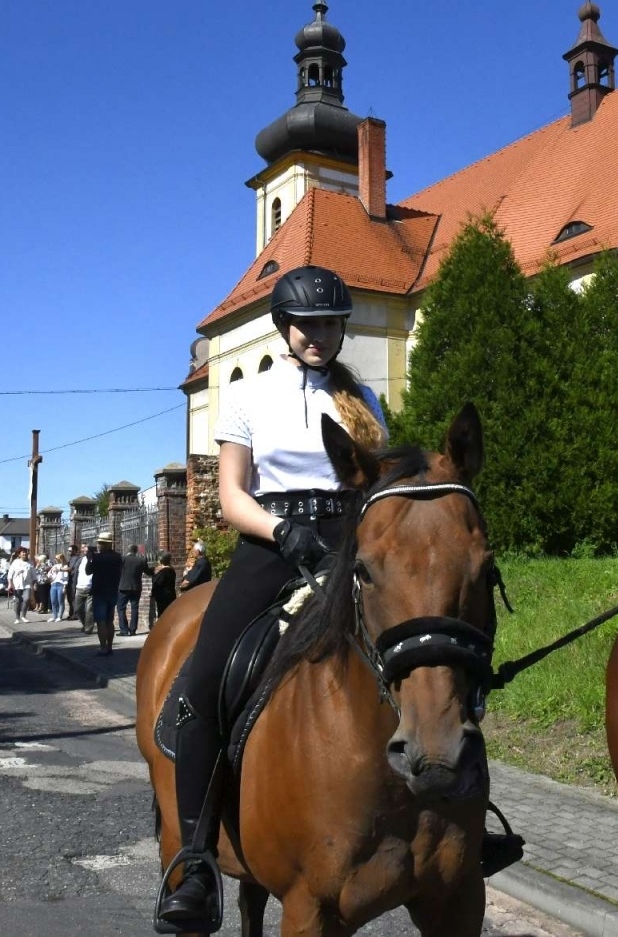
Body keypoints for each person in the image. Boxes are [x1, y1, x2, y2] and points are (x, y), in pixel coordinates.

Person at [157, 265, 388, 932]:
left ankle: (454, 816)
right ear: (285, 328)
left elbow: (373, 484)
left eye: (329, 324)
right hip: (271, 543)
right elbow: (232, 494)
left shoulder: (365, 396)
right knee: (203, 681)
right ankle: (196, 862)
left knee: (427, 651)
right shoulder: (249, 395)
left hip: (349, 543)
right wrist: (284, 531)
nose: (318, 335)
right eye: (306, 325)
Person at [89, 534, 123, 656]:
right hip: (113, 590)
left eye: (101, 543)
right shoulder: (118, 557)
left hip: (100, 592)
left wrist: (90, 558)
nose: (99, 545)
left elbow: (88, 571)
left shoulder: (98, 558)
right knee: (110, 620)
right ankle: (109, 647)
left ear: (105, 544)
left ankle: (103, 647)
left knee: (101, 621)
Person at [118, 543, 150, 636]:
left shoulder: (123, 559)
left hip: (123, 586)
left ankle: (124, 630)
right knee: (135, 607)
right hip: (136, 587)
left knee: (121, 608)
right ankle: (132, 630)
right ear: (136, 551)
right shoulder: (141, 560)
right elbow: (148, 572)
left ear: (128, 550)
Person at [6, 548, 35, 624]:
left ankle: (24, 616)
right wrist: (10, 584)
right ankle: (17, 618)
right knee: (18, 601)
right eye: (23, 552)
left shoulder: (30, 562)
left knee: (26, 599)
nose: (24, 554)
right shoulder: (15, 562)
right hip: (17, 584)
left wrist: (35, 583)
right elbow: (10, 574)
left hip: (27, 584)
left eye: (25, 552)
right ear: (19, 554)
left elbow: (34, 574)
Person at [149, 551, 177, 627]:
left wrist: (155, 574)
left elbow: (156, 583)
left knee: (162, 615)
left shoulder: (162, 572)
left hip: (163, 597)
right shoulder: (172, 570)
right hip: (171, 595)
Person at [75, 545, 94, 631]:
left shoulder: (95, 560)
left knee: (89, 610)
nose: (84, 553)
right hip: (80, 587)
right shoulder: (81, 560)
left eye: (86, 551)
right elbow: (76, 572)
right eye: (84, 551)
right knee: (78, 609)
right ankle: (85, 624)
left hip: (90, 587)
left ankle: (88, 628)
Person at [48, 553, 69, 622]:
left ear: (61, 559)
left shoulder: (65, 566)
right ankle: (54, 616)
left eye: (57, 558)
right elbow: (49, 575)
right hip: (53, 584)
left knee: (60, 601)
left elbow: (66, 578)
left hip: (61, 584)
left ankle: (59, 616)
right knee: (53, 601)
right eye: (55, 558)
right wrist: (51, 575)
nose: (55, 559)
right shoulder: (54, 566)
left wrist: (65, 586)